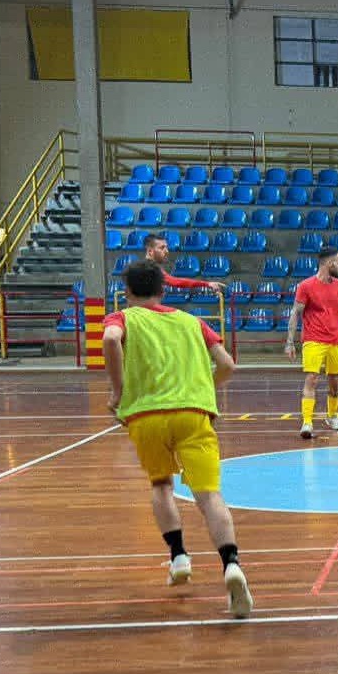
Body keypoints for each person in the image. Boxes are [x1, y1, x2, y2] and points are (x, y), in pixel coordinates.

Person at [102, 260, 252, 618]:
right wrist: (201, 390)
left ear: (127, 293)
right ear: (163, 290)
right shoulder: (192, 321)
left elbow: (109, 340)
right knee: (209, 496)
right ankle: (231, 563)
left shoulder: (122, 318)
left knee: (161, 485)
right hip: (193, 413)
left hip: (146, 415)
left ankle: (179, 557)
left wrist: (117, 391)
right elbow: (228, 364)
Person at [286, 247, 338, 439]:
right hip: (313, 339)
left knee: (334, 382)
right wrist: (290, 342)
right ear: (328, 263)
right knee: (312, 378)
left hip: (335, 340)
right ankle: (307, 422)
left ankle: (332, 416)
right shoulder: (306, 286)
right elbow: (295, 313)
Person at [143, 232, 225, 294]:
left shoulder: (146, 266)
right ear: (150, 251)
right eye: (162, 248)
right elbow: (175, 282)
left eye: (166, 247)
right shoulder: (149, 268)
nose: (167, 251)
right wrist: (207, 284)